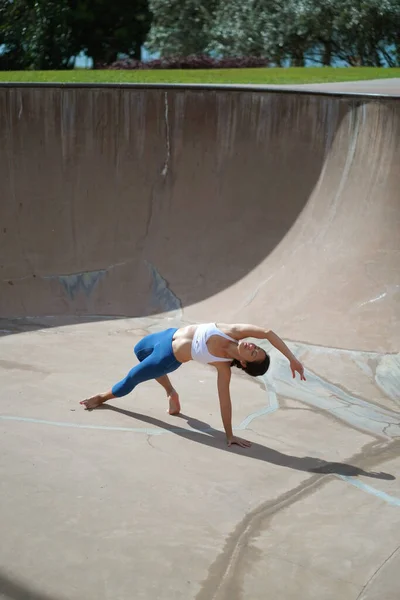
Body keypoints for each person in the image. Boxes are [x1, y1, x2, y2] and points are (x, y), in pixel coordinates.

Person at [80, 323, 306, 448]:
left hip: (167, 358)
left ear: (245, 363)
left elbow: (224, 400)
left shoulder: (223, 367)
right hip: (167, 334)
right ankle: (171, 391)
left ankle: (101, 398)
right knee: (139, 351)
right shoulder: (234, 331)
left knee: (131, 379)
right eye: (256, 347)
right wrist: (292, 359)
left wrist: (229, 435)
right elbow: (267, 332)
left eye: (254, 352)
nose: (252, 346)